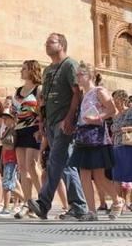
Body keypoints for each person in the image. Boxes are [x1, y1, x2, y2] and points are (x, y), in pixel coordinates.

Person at [27, 33, 88, 220]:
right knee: (64, 164)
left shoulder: (70, 65)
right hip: (51, 123)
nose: (46, 45)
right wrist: (42, 123)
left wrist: (69, 119)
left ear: (61, 45)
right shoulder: (47, 71)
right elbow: (43, 100)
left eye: (50, 42)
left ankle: (45, 203)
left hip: (63, 122)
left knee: (56, 161)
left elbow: (77, 94)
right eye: (46, 42)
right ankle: (77, 206)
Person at [69, 63, 121, 221]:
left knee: (98, 175)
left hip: (95, 136)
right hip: (84, 136)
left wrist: (97, 118)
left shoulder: (99, 91)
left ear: (89, 76)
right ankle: (91, 211)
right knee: (84, 174)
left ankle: (117, 201)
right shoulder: (84, 94)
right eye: (77, 75)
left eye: (80, 74)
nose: (77, 77)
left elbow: (112, 110)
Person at [12, 60, 43, 219]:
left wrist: (41, 129)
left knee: (32, 166)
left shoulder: (39, 89)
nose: (21, 71)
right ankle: (27, 203)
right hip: (19, 131)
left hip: (33, 130)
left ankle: (43, 201)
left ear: (32, 70)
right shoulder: (17, 91)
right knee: (23, 169)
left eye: (24, 68)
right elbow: (13, 113)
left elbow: (43, 111)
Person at [0, 111, 26, 217]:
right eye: (4, 119)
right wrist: (1, 162)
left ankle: (6, 208)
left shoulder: (15, 131)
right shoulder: (5, 131)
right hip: (6, 160)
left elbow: (12, 146)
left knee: (7, 185)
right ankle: (28, 203)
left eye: (6, 118)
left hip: (12, 159)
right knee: (10, 184)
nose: (4, 120)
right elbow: (3, 148)